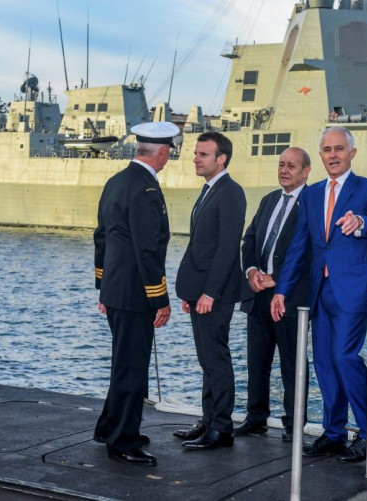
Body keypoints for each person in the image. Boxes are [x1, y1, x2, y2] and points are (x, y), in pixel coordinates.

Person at [271, 126, 367, 463]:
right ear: (320, 155)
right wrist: (282, 291)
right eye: (326, 150)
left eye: (339, 148)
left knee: (344, 357)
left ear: (352, 152)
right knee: (323, 362)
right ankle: (334, 433)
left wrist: (361, 222)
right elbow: (299, 247)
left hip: (353, 289)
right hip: (319, 291)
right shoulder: (311, 193)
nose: (333, 155)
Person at [92, 121, 179, 467]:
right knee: (132, 368)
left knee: (123, 363)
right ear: (162, 152)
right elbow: (147, 250)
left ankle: (110, 427)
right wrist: (159, 298)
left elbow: (102, 237)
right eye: (169, 152)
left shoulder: (116, 181)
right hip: (135, 294)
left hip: (117, 291)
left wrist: (103, 286)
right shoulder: (145, 189)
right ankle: (123, 441)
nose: (168, 157)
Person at [173, 131, 250, 450]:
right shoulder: (210, 190)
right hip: (200, 291)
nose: (195, 158)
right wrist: (193, 291)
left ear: (222, 159)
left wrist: (210, 293)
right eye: (196, 153)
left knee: (216, 357)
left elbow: (227, 248)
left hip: (213, 293)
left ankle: (222, 428)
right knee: (206, 358)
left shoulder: (231, 192)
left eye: (203, 154)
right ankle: (208, 420)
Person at [236, 146, 311, 443]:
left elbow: (312, 254)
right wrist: (252, 271)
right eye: (281, 164)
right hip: (258, 297)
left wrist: (276, 280)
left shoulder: (312, 203)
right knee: (257, 361)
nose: (284, 170)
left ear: (306, 171)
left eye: (291, 166)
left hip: (290, 298)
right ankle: (256, 419)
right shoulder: (269, 200)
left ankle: (294, 425)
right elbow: (250, 239)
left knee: (292, 365)